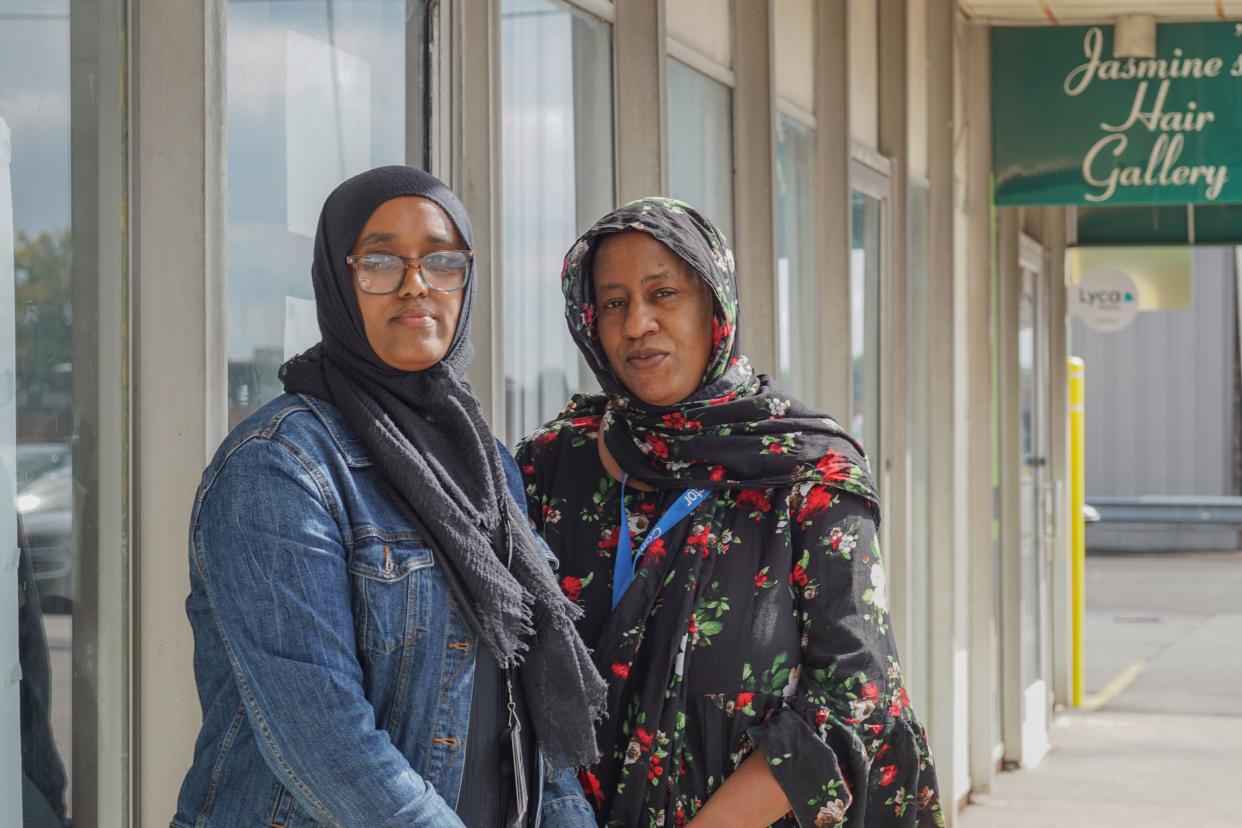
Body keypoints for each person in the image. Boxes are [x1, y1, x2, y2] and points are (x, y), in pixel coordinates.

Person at [173, 166, 604, 828]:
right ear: (338, 280)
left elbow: (534, 712)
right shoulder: (281, 466)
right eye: (380, 260)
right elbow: (325, 739)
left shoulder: (484, 464)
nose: (416, 283)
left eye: (442, 260)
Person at [517, 198, 943, 828]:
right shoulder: (551, 466)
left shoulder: (808, 474)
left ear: (714, 305)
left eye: (664, 293)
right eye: (613, 302)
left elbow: (854, 695)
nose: (637, 324)